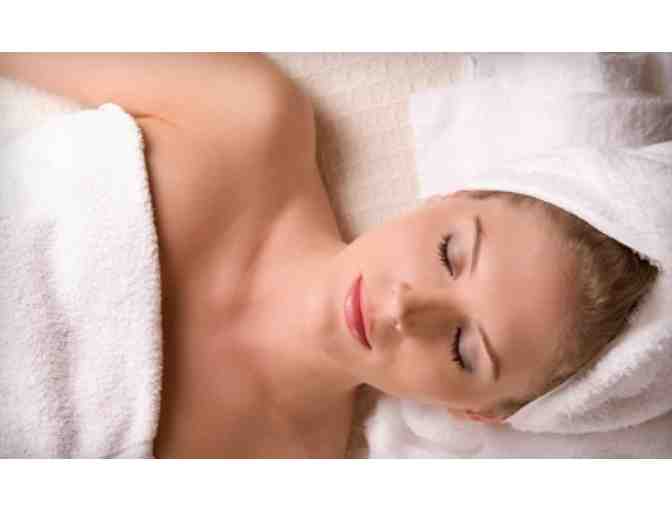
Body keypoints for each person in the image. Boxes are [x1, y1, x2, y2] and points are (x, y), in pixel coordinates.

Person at [0, 53, 658, 458]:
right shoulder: (247, 116)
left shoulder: (281, 471)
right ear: (450, 197)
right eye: (450, 253)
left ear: (476, 411)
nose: (405, 309)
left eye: (464, 348)